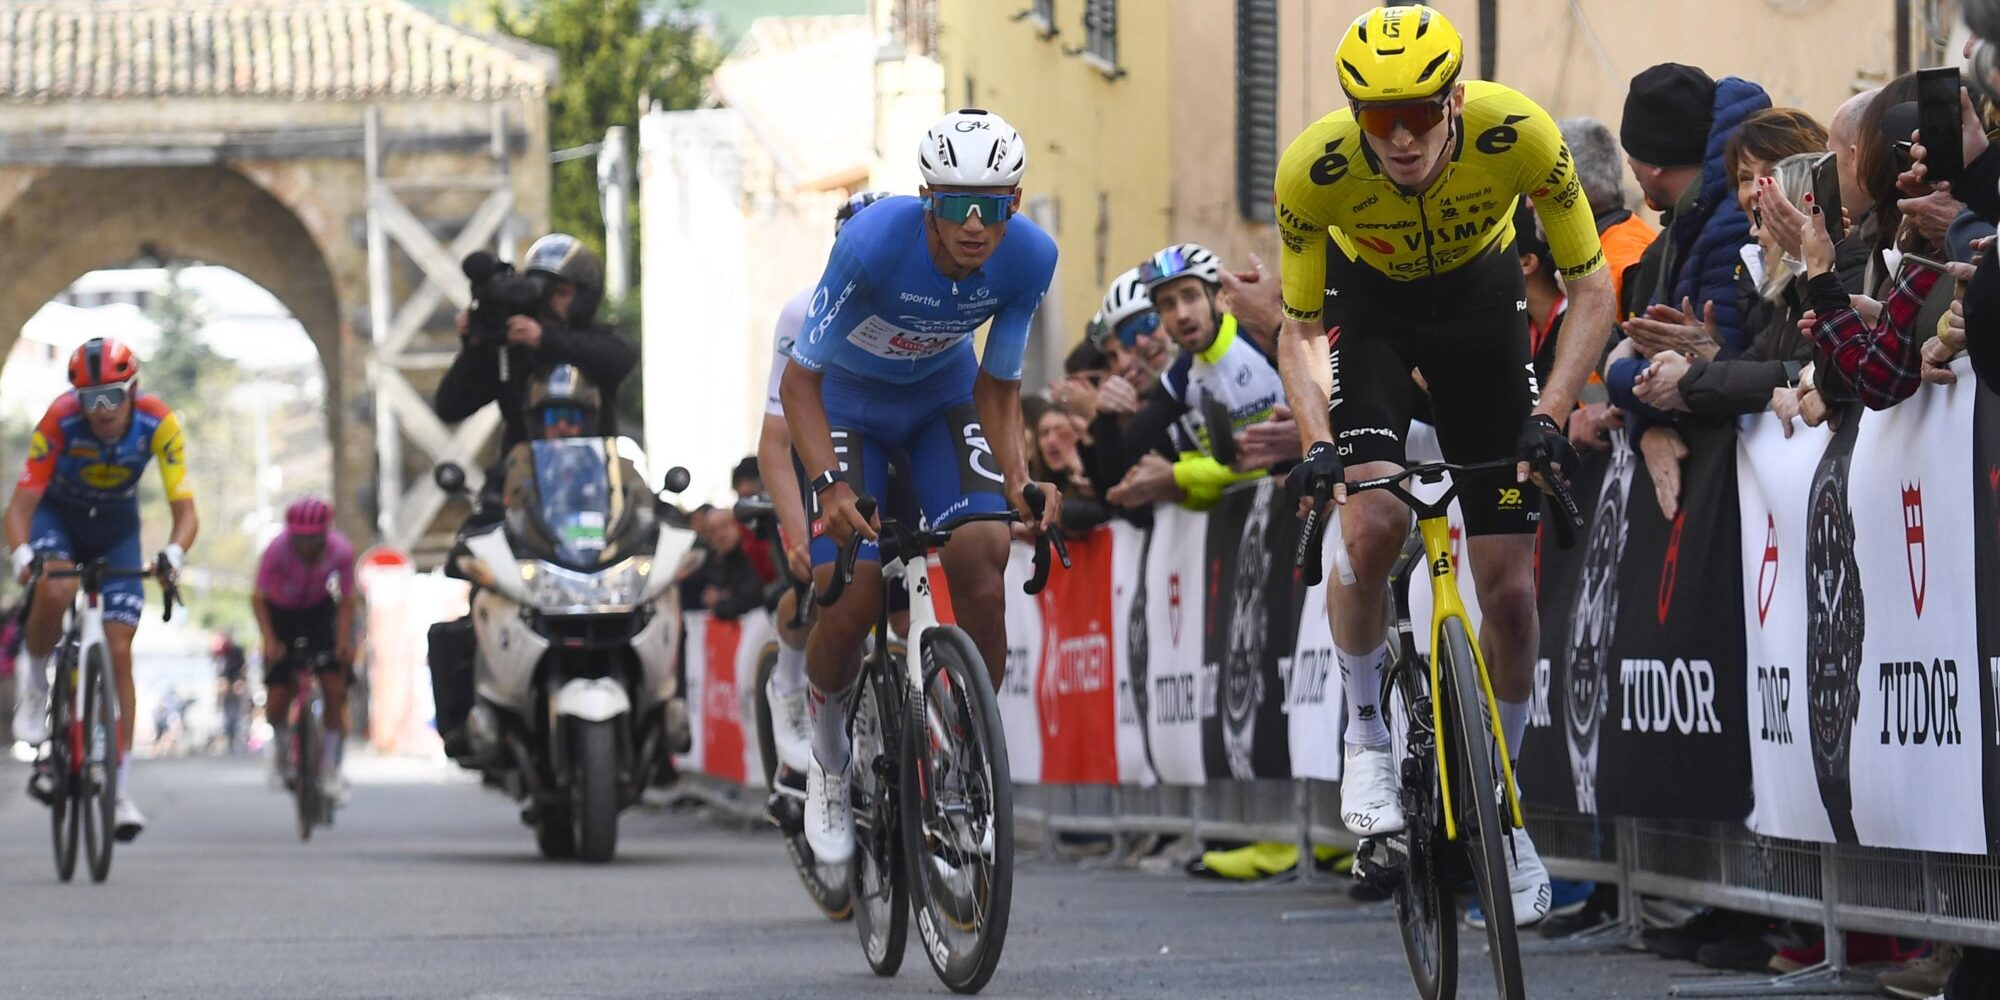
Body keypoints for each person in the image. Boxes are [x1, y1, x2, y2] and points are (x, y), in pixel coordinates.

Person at [1270, 5, 1617, 927]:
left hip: (1480, 310)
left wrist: (1551, 413)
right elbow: (1299, 330)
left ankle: (1503, 813)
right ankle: (1367, 737)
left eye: (1420, 113)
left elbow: (1592, 287)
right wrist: (1316, 443)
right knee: (1374, 520)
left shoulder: (1521, 133)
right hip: (1369, 314)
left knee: (1508, 595)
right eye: (1378, 118)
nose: (1402, 138)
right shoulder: (1316, 169)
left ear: (1455, 98)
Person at [780, 108, 1059, 865]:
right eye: (957, 205)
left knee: (984, 550)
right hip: (847, 405)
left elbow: (1000, 387)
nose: (975, 225)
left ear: (1016, 204)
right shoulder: (870, 244)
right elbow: (799, 382)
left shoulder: (1030, 257)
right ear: (927, 200)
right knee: (852, 587)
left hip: (943, 397)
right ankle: (829, 757)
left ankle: (963, 759)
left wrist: (1023, 479)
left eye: (993, 206)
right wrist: (831, 483)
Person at [6, 337, 198, 841]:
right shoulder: (59, 420)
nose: (103, 410)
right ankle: (35, 682)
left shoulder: (159, 422)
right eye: (91, 399)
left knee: (119, 651)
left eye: (113, 396)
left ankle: (119, 791)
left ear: (133, 390)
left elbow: (186, 513)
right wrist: (23, 554)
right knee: (55, 588)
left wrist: (173, 553)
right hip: (59, 518)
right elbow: (20, 509)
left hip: (117, 529)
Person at [755, 189, 891, 791]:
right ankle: (789, 681)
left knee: (909, 603)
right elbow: (775, 442)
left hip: (891, 447)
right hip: (826, 457)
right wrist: (795, 534)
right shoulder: (806, 310)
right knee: (820, 583)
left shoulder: (929, 309)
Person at [435, 234, 639, 516]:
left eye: (561, 293)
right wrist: (475, 349)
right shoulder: (511, 348)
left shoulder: (593, 341)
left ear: (584, 297)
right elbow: (450, 406)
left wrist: (545, 339)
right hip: (522, 490)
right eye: (544, 290)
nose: (548, 302)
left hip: (595, 485)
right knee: (471, 546)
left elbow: (622, 357)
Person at [1099, 244, 1296, 512]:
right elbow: (1206, 495)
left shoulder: (1258, 336)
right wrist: (1175, 489)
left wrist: (1177, 474)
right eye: (1168, 305)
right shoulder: (1178, 382)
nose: (1181, 314)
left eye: (1190, 296)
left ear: (1217, 297)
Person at [252, 496, 357, 801]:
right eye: (301, 541)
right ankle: (281, 750)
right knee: (278, 697)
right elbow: (258, 597)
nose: (308, 548)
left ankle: (331, 769)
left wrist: (342, 641)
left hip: (317, 611)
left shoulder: (341, 550)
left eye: (315, 541)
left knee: (335, 689)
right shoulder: (276, 550)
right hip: (280, 613)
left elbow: (347, 600)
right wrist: (270, 639)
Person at [213, 628, 248, 753]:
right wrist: (223, 681)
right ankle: (225, 730)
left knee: (239, 698)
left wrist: (240, 680)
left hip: (236, 679)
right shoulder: (219, 652)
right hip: (225, 680)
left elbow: (243, 668)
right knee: (222, 692)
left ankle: (239, 731)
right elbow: (218, 670)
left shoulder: (237, 651)